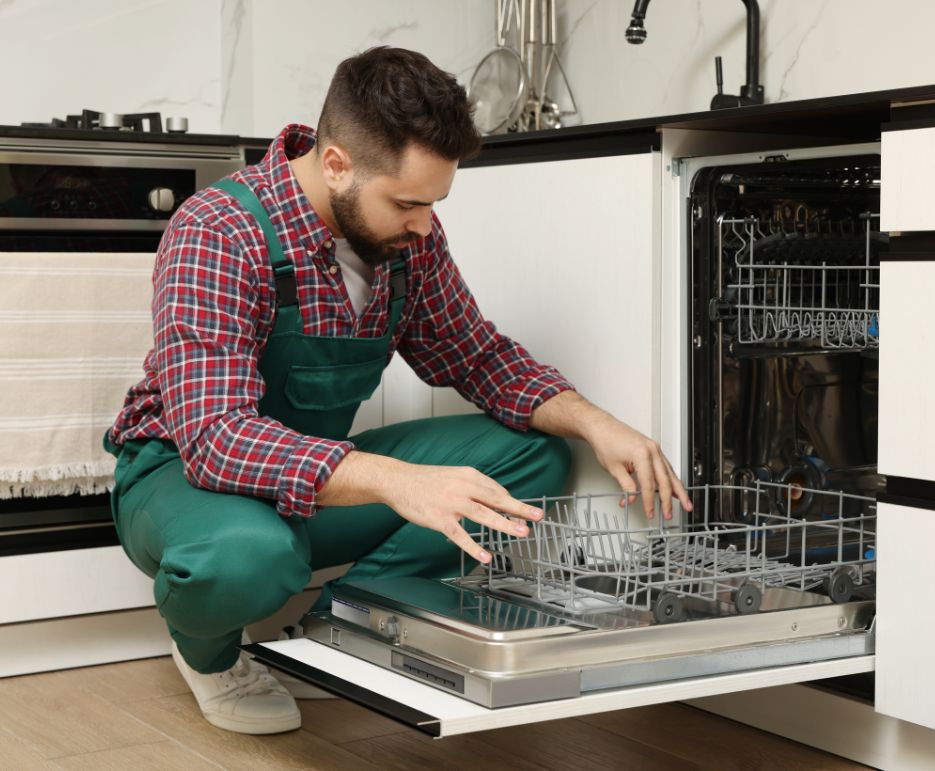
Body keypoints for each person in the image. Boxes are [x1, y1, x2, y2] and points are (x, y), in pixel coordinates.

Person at [105, 46, 692, 735]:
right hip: (180, 479)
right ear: (335, 165)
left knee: (530, 457)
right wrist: (395, 481)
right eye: (408, 202)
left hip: (307, 478)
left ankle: (337, 629)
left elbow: (476, 355)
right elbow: (216, 441)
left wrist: (595, 422)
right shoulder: (219, 231)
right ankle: (209, 654)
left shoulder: (407, 240)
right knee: (250, 554)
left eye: (432, 203)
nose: (423, 223)